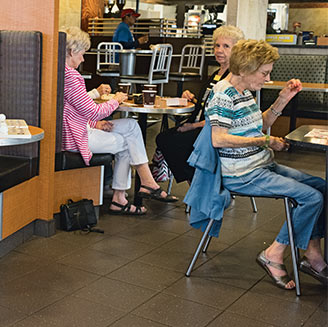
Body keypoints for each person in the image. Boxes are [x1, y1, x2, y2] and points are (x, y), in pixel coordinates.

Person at [205, 39, 326, 290]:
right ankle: (273, 254)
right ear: (246, 69)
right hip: (241, 174)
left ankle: (312, 254)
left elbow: (258, 125)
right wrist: (267, 141)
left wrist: (283, 98)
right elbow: (218, 139)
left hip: (261, 166)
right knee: (311, 197)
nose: (267, 78)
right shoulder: (222, 95)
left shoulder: (243, 92)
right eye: (264, 73)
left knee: (322, 188)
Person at [62, 27, 177, 216]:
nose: (83, 59)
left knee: (131, 126)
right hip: (76, 138)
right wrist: (117, 100)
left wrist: (94, 122)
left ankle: (146, 181)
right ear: (73, 51)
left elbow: (69, 110)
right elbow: (93, 111)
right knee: (126, 144)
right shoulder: (72, 76)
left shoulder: (61, 72)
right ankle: (120, 198)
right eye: (82, 54)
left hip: (76, 129)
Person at [155, 25, 244, 183]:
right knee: (163, 136)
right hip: (200, 124)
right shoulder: (216, 74)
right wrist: (192, 99)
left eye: (226, 46)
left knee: (171, 142)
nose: (219, 50)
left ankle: (194, 180)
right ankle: (179, 174)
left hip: (212, 131)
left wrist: (192, 126)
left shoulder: (234, 78)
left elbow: (223, 116)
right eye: (217, 45)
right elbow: (208, 103)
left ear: (236, 50)